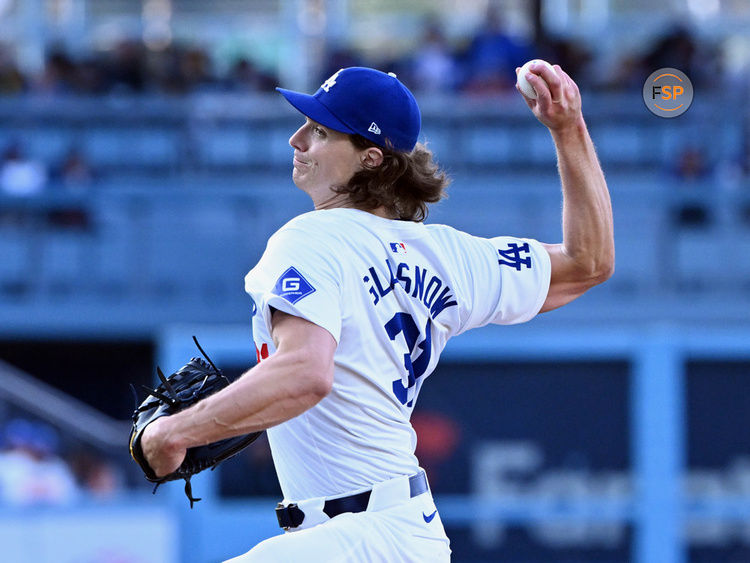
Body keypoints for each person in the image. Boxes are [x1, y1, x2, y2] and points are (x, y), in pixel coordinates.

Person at [140, 63, 614, 561]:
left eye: (320, 131)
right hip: (406, 534)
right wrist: (569, 129)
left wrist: (175, 431)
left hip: (358, 539)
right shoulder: (447, 255)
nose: (296, 139)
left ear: (370, 159)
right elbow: (590, 262)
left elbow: (304, 374)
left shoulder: (310, 238)